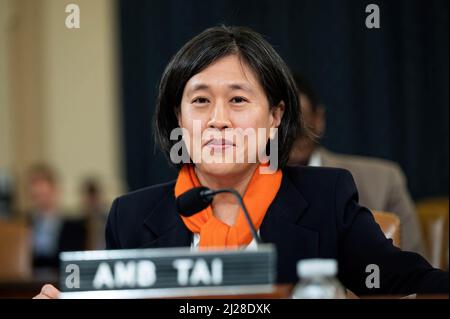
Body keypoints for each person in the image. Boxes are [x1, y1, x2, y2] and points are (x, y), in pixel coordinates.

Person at [34, 26, 448, 298]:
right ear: (179, 119)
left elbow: (407, 281)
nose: (218, 120)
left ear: (275, 116)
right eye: (199, 101)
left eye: (238, 99)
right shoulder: (131, 216)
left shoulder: (325, 198)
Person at [288, 74, 425, 255]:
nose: (290, 133)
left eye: (300, 124)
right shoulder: (242, 187)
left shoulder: (382, 181)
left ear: (318, 119)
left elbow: (414, 268)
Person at [27, 164, 86, 270]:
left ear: (55, 191)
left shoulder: (74, 227)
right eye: (37, 195)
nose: (41, 199)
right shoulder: (23, 226)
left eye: (44, 194)